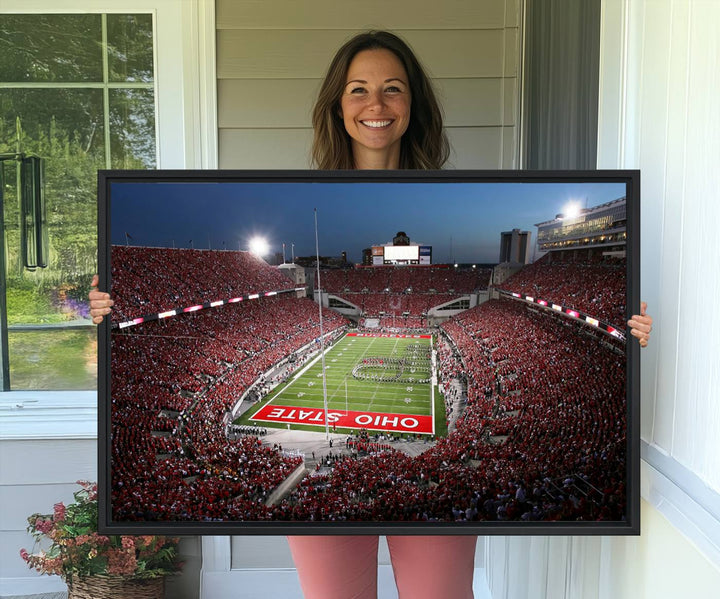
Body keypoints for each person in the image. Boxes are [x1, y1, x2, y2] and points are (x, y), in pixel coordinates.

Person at [89, 30, 653, 599]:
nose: (376, 105)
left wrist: (628, 331)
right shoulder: (301, 191)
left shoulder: (457, 185)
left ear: (414, 104)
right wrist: (112, 306)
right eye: (358, 89)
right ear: (337, 104)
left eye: (393, 89)